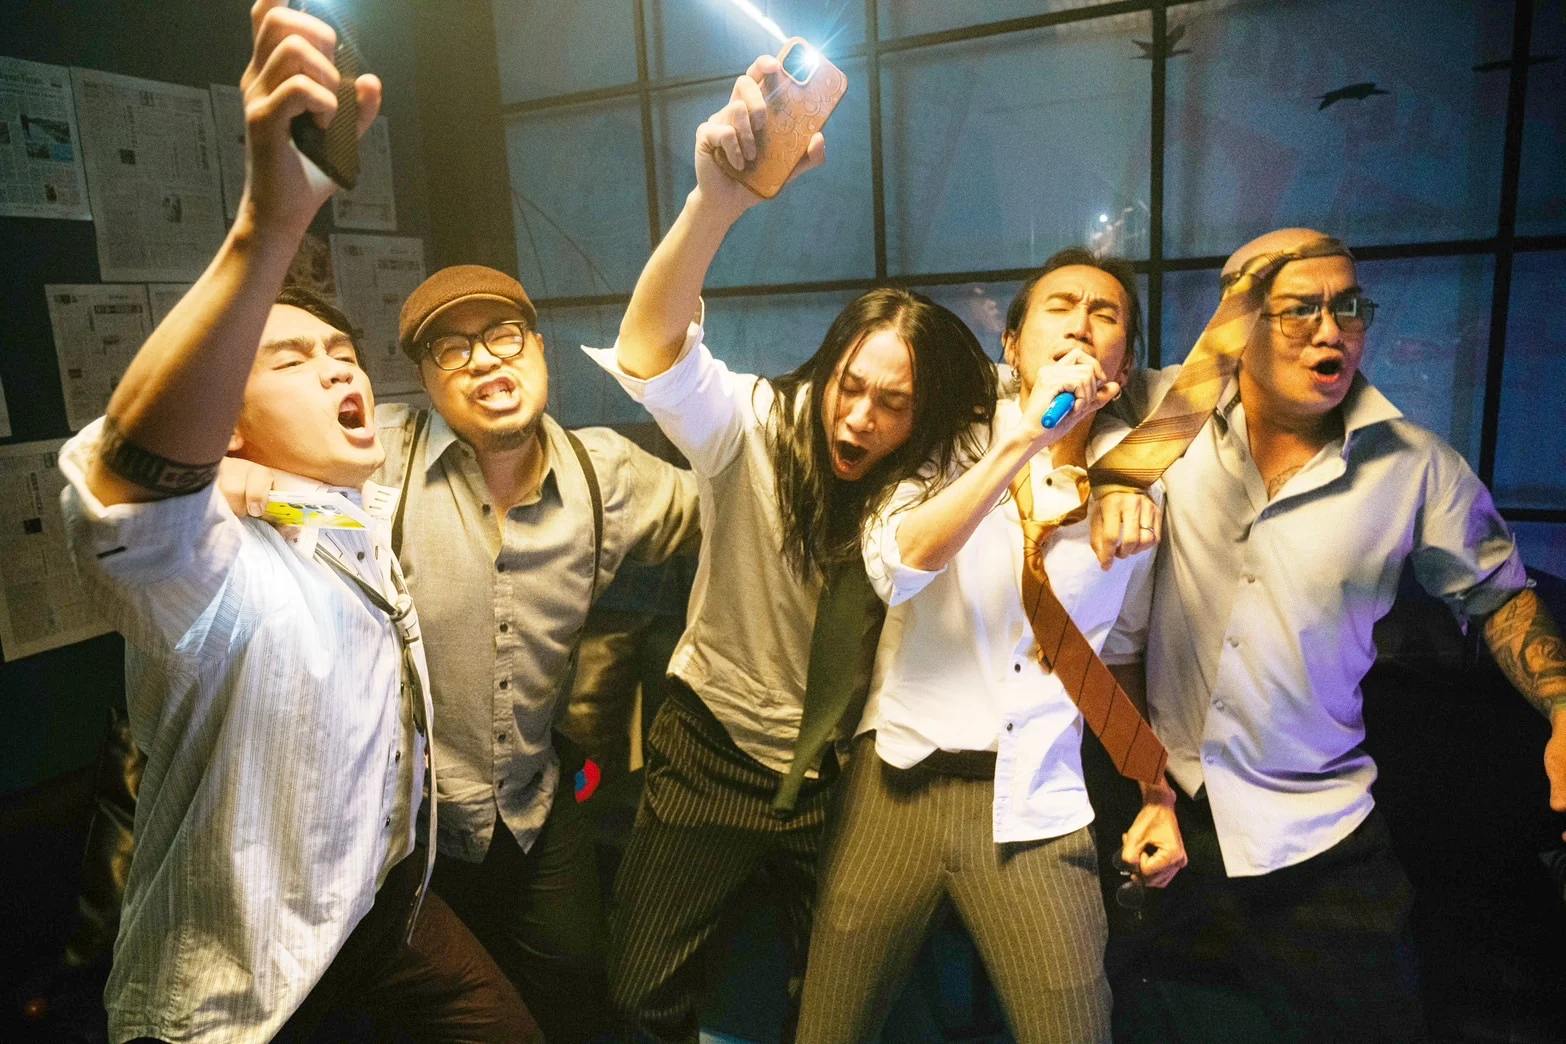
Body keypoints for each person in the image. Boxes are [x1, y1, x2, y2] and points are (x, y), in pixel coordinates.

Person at [57, 3, 533, 1041]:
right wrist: (265, 225)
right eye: (292, 361)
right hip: (247, 984)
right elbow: (126, 495)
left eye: (343, 357)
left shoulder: (344, 507)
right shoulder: (216, 567)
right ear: (227, 427)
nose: (338, 371)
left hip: (384, 905)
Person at [580, 56, 1001, 1042]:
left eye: (892, 404)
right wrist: (715, 206)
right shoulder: (757, 424)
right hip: (713, 746)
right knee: (640, 990)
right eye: (850, 386)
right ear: (828, 366)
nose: (858, 419)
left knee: (846, 1003)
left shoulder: (937, 471)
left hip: (851, 773)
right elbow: (648, 353)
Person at [1106, 227, 1566, 1041]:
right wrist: (1110, 478)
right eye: (1299, 309)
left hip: (1320, 829)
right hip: (1166, 809)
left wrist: (1564, 708)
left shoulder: (1415, 465)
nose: (1332, 330)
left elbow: (1500, 598)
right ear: (1237, 321)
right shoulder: (1164, 417)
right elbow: (1044, 402)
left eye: (1349, 307)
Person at [796, 250, 1187, 1043]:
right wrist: (1026, 439)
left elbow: (1115, 658)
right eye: (1059, 307)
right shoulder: (942, 438)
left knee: (1076, 1028)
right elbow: (898, 565)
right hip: (896, 782)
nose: (1081, 323)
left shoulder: (1139, 486)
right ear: (1011, 345)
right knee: (829, 1027)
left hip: (1037, 805)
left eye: (1105, 314)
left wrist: (1157, 792)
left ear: (1123, 368)